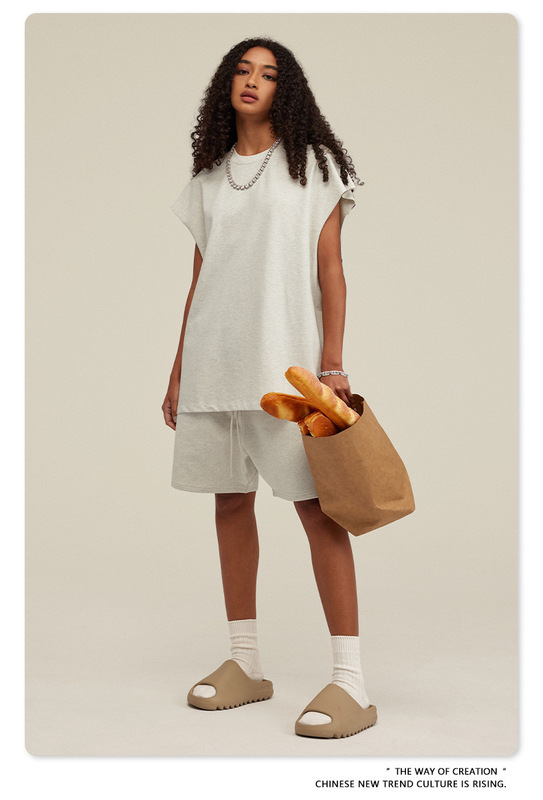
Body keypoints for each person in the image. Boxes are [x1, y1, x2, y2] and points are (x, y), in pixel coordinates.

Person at [162, 36, 377, 739]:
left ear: (287, 90)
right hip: (212, 365)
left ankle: (351, 682)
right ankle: (246, 663)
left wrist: (332, 365)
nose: (252, 80)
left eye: (269, 73)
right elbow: (201, 277)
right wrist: (178, 368)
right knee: (229, 504)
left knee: (318, 511)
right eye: (242, 70)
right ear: (226, 85)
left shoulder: (314, 166)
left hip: (285, 372)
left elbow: (331, 270)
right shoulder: (208, 178)